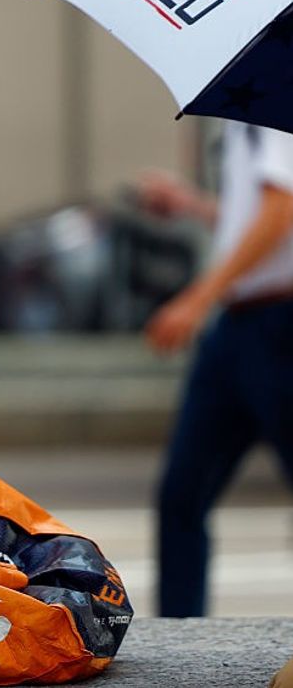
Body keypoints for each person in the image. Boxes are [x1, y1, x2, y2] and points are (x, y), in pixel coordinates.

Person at [139, 123, 293, 617]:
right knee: (183, 492)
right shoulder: (247, 110)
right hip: (240, 324)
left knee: (186, 494)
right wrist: (193, 206)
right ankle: (181, 638)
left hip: (280, 319)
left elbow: (282, 209)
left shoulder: (275, 93)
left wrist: (197, 299)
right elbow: (258, 216)